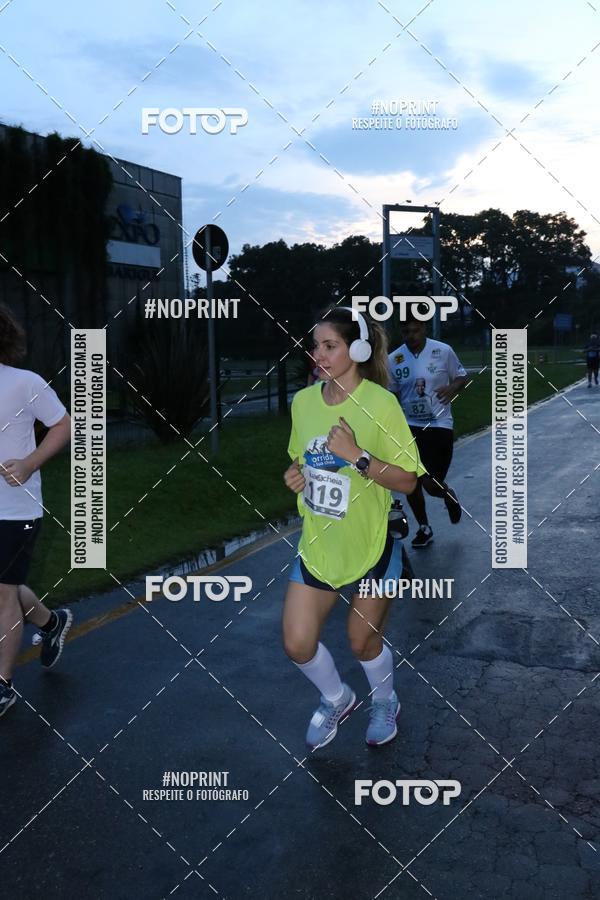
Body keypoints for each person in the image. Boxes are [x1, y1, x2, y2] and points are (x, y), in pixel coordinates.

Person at [282, 307, 425, 750]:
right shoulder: (303, 402)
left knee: (361, 642)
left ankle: (384, 700)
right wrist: (294, 475)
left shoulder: (380, 404)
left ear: (357, 349)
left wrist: (358, 456)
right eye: (315, 346)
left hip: (372, 546)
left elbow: (408, 478)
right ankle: (337, 698)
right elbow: (298, 458)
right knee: (297, 644)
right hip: (319, 547)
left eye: (330, 346)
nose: (318, 355)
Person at [0, 305, 73, 718]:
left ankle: (3, 685)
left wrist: (29, 464)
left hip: (15, 509)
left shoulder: (24, 383)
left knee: (1, 593)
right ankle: (51, 623)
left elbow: (63, 424)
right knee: (3, 588)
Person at [388, 310, 468, 548]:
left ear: (424, 328)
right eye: (406, 332)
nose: (411, 336)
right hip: (410, 427)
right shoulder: (394, 359)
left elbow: (462, 377)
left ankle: (448, 495)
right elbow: (392, 395)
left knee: (431, 485)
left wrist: (452, 388)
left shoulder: (443, 351)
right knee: (410, 480)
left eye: (415, 330)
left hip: (440, 426)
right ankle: (424, 527)